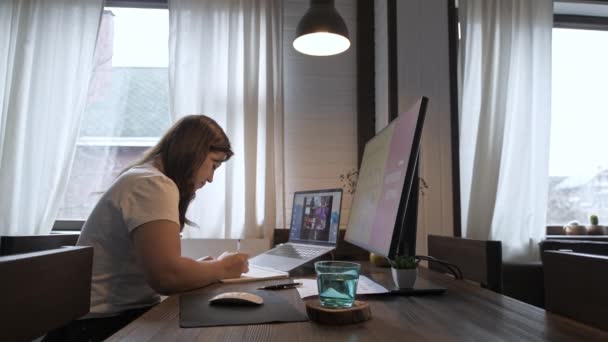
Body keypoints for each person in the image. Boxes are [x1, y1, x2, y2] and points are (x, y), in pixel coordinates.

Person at [44, 115, 249, 342]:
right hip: (99, 327)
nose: (210, 178)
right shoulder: (152, 183)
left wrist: (198, 269)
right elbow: (167, 277)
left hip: (104, 320)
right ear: (194, 151)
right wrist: (223, 267)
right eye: (214, 165)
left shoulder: (145, 177)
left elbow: (164, 269)